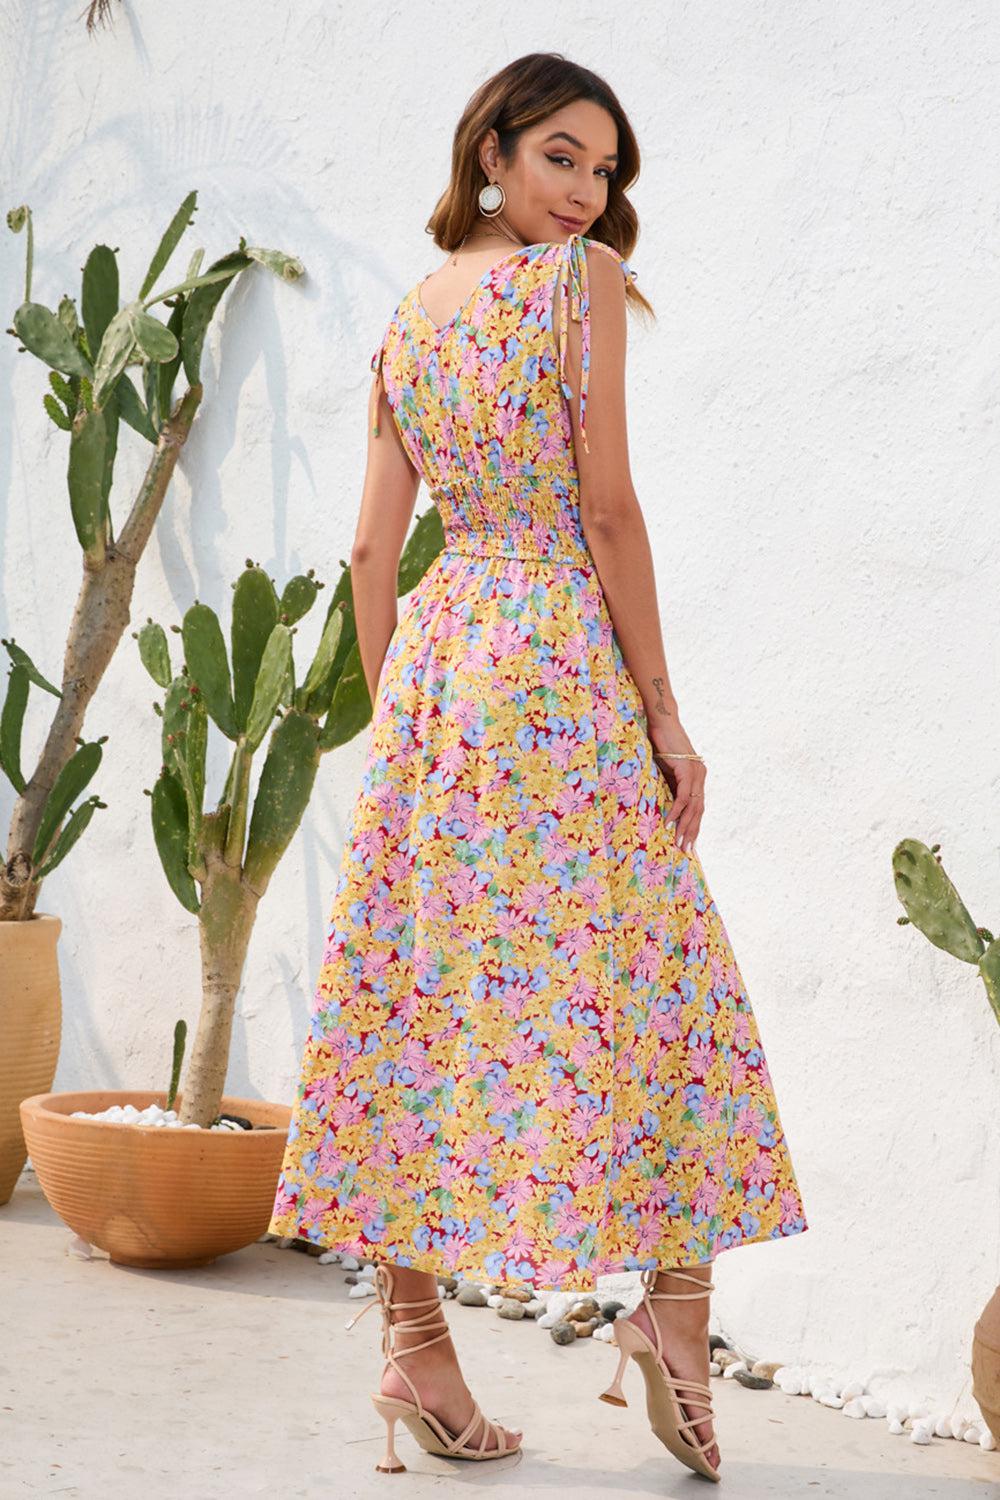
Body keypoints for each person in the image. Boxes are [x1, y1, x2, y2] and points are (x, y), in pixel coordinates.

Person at [269, 50, 809, 1482]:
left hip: (443, 672)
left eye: (609, 171)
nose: (589, 193)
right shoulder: (576, 292)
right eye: (564, 157)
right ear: (493, 152)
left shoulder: (405, 318)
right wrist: (668, 714)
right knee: (657, 973)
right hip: (556, 652)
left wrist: (406, 725)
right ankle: (674, 1318)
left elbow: (376, 554)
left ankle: (413, 1343)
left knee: (418, 996)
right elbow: (612, 511)